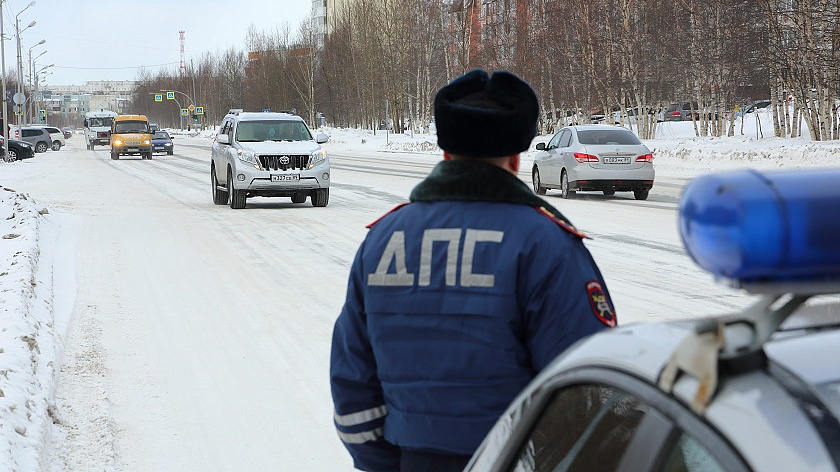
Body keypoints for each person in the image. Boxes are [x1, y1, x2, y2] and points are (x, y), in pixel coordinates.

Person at [330, 69, 617, 472]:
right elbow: (588, 389)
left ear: (446, 154)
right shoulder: (546, 244)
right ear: (516, 160)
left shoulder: (382, 240)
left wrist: (388, 463)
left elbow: (351, 382)